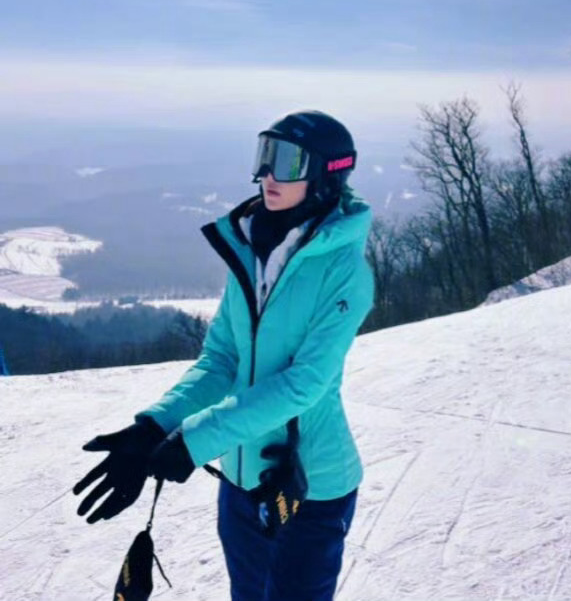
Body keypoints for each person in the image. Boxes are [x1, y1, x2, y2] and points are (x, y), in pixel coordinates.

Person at [73, 110, 374, 601]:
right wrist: (154, 426)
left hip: (311, 489)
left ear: (325, 173)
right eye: (265, 155)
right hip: (239, 487)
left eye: (288, 161)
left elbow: (305, 384)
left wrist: (194, 441)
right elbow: (222, 361)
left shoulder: (345, 272)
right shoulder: (251, 249)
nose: (268, 174)